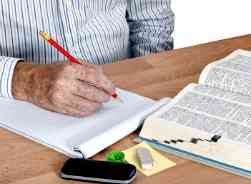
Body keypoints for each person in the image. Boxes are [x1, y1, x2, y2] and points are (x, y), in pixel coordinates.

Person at [0, 0, 174, 117]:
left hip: (125, 97)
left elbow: (151, 18)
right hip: (22, 108)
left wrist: (149, 85)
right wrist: (27, 80)